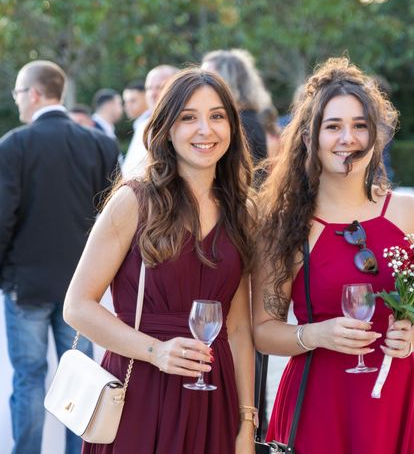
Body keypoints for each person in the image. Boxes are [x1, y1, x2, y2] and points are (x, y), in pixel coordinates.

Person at [252, 57, 414, 453]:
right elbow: (262, 330)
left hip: (396, 396)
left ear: (376, 136)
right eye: (333, 126)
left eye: (360, 125)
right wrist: (314, 334)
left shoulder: (412, 214)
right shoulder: (285, 226)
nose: (349, 138)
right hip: (318, 402)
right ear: (310, 138)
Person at [63, 68, 256, 453]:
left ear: (232, 128)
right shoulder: (132, 201)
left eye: (217, 116)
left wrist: (246, 420)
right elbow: (77, 307)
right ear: (166, 127)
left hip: (212, 393)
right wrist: (157, 351)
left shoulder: (242, 211)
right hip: (141, 389)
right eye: (189, 117)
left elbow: (237, 328)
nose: (206, 129)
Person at [0, 60, 120, 454]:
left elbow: (3, 217)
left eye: (18, 93)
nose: (16, 101)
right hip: (83, 287)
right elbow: (114, 218)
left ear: (33, 93)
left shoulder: (14, 144)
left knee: (29, 380)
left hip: (27, 287)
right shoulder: (100, 145)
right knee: (82, 379)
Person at [201, 49, 270, 165]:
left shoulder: (243, 122)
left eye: (207, 78)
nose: (200, 82)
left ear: (228, 82)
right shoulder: (249, 118)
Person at [121, 65, 178, 178]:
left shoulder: (181, 126)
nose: (153, 94)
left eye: (160, 87)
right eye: (149, 88)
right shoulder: (143, 125)